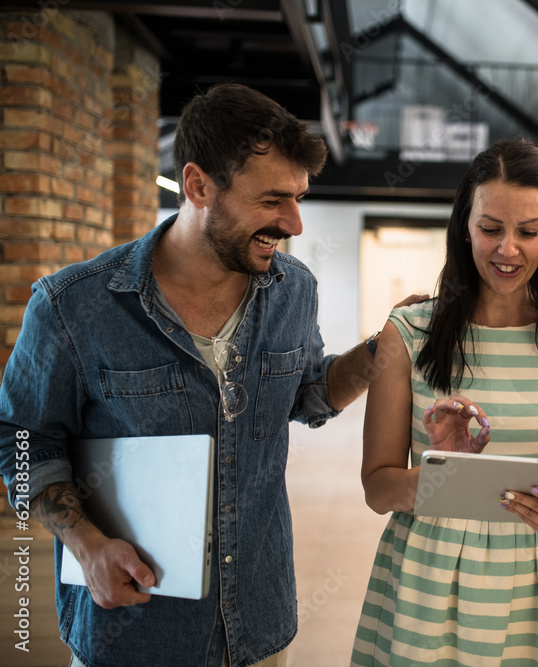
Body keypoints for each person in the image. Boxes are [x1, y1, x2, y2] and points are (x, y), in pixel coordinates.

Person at [0, 83, 423, 667]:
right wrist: (87, 545)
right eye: (273, 200)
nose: (295, 223)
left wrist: (383, 349)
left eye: (299, 197)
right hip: (135, 630)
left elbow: (306, 391)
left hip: (257, 624)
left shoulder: (293, 290)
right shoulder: (74, 306)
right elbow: (20, 438)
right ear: (197, 186)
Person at [350, 138, 538, 666]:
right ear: (464, 226)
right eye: (490, 228)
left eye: (528, 232)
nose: (507, 250)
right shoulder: (408, 332)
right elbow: (378, 487)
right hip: (429, 581)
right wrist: (447, 477)